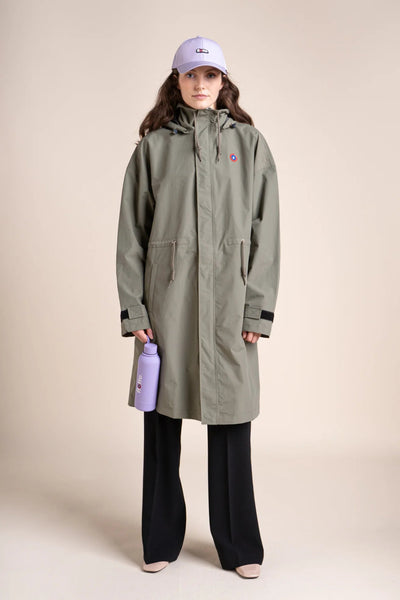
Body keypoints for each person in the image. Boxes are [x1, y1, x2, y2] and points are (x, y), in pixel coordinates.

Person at [116, 35, 280, 579]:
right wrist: (136, 310)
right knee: (162, 423)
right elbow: (131, 235)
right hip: (169, 306)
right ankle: (160, 537)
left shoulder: (249, 145)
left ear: (223, 82)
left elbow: (266, 232)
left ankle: (239, 545)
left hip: (230, 305)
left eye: (210, 76)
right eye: (191, 75)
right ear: (177, 81)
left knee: (231, 422)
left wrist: (257, 309)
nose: (201, 84)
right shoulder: (153, 148)